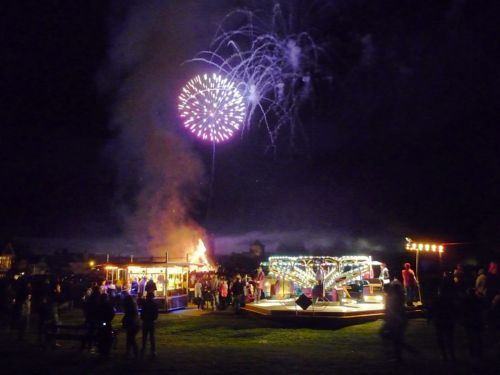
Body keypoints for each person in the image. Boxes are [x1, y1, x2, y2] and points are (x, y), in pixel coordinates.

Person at [380, 279, 414, 362]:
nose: (383, 290)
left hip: (396, 321)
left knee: (395, 338)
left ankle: (399, 354)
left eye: (384, 289)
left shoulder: (394, 297)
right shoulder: (394, 297)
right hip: (395, 320)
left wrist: (397, 318)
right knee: (394, 338)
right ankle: (398, 354)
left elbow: (394, 310)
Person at [141, 292, 158, 358]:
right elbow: (156, 314)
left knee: (145, 336)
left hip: (146, 321)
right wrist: (153, 318)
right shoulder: (154, 304)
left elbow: (142, 312)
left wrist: (143, 318)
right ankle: (152, 351)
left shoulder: (145, 303)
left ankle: (143, 349)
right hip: (151, 322)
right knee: (151, 337)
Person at [122, 294, 139, 358]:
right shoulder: (133, 305)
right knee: (129, 338)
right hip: (134, 324)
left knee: (131, 339)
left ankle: (134, 352)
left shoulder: (130, 306)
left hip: (132, 324)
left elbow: (130, 315)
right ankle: (129, 352)